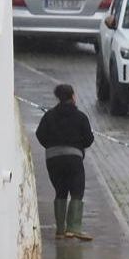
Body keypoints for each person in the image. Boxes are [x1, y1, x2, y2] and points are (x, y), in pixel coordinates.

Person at [35, 83, 95, 241]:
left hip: (53, 159)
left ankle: (60, 230)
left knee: (60, 192)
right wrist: (78, 145)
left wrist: (51, 147)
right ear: (73, 96)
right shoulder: (80, 116)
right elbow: (89, 139)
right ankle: (73, 228)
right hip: (73, 158)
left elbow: (40, 134)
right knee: (77, 191)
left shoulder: (49, 115)